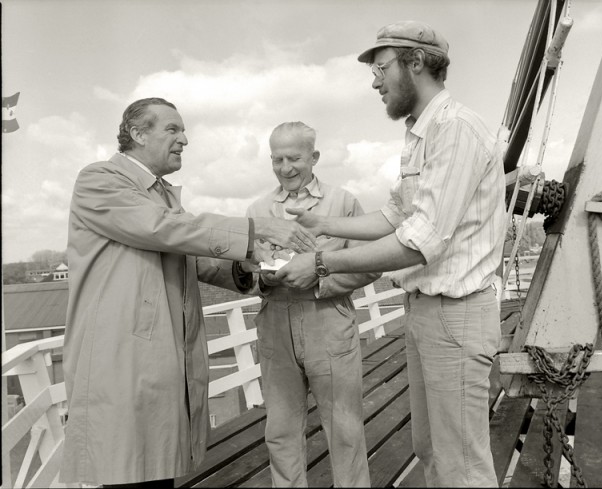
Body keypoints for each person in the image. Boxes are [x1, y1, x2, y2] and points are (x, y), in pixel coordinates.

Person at [276, 21, 506, 487]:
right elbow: (393, 215)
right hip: (426, 313)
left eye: (381, 68)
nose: (374, 81)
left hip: (457, 315)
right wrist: (321, 224)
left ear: (416, 63)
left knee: (461, 462)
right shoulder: (421, 133)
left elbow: (418, 240)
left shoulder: (455, 129)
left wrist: (321, 263)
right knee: (432, 451)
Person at [59, 98, 316, 488]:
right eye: (172, 130)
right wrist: (255, 230)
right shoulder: (100, 179)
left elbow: (187, 253)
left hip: (155, 361)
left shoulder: (159, 194)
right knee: (128, 471)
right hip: (121, 360)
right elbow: (163, 228)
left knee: (153, 471)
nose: (185, 139)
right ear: (137, 134)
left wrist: (251, 268)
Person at [246, 121, 380, 487]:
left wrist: (320, 279)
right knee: (281, 429)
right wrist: (262, 278)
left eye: (294, 158)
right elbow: (243, 270)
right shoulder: (256, 209)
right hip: (275, 322)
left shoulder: (343, 202)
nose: (285, 168)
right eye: (276, 159)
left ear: (314, 157)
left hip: (328, 319)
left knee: (345, 427)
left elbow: (371, 264)